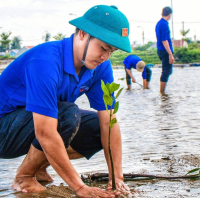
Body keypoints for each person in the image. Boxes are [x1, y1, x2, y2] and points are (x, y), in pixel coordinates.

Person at [0, 5, 132, 198]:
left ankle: (37, 167)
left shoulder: (100, 67)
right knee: (67, 114)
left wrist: (116, 178)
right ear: (82, 34)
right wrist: (79, 187)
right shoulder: (45, 61)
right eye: (103, 48)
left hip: (35, 124)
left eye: (111, 51)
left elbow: (109, 122)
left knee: (98, 127)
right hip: (4, 130)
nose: (105, 57)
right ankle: (24, 176)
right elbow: (45, 132)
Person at [155, 6, 175, 94]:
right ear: (170, 15)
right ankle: (162, 93)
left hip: (161, 50)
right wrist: (170, 54)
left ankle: (163, 93)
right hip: (165, 50)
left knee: (167, 71)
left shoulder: (159, 23)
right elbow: (164, 40)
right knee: (166, 71)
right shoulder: (164, 24)